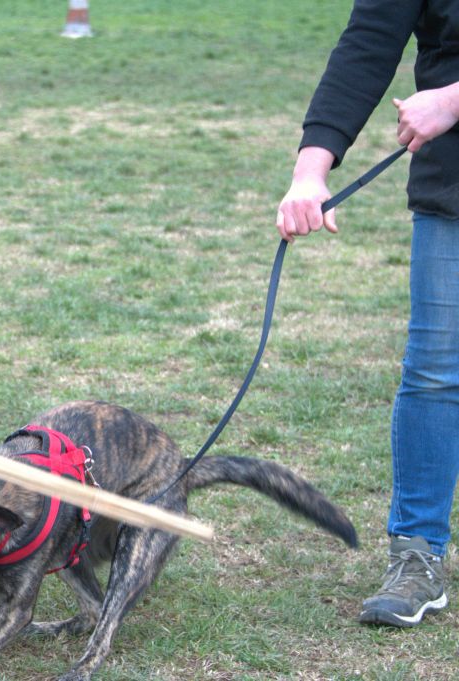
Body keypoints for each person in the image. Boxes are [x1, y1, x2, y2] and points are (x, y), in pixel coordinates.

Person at [276, 0, 459, 628]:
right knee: (435, 373)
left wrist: (455, 98)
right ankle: (417, 556)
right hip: (452, 188)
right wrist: (310, 170)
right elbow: (368, 45)